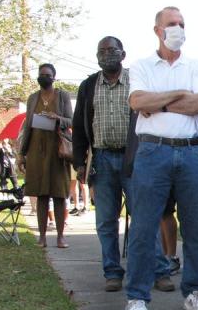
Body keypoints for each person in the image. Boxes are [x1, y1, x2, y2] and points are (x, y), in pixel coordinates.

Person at [124, 6, 198, 310]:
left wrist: (159, 101)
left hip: (191, 152)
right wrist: (179, 94)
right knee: (143, 226)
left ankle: (194, 292)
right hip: (153, 152)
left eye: (181, 23)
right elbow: (137, 101)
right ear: (157, 30)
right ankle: (137, 297)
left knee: (195, 227)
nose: (177, 28)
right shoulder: (141, 66)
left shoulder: (196, 65)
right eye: (171, 24)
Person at [73, 35, 175, 294]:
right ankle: (112, 272)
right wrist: (80, 164)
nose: (107, 54)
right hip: (102, 160)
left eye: (112, 50)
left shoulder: (137, 82)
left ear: (123, 54)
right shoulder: (88, 86)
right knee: (106, 221)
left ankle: (159, 271)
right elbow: (80, 129)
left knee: (145, 218)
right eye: (102, 50)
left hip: (137, 158)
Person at [19, 63, 74, 248]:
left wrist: (57, 118)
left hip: (57, 151)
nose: (44, 77)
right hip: (36, 151)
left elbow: (71, 120)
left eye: (47, 74)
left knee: (59, 195)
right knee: (41, 195)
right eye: (41, 74)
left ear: (54, 77)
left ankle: (60, 236)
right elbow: (27, 126)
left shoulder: (62, 96)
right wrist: (22, 153)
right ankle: (41, 236)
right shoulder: (33, 98)